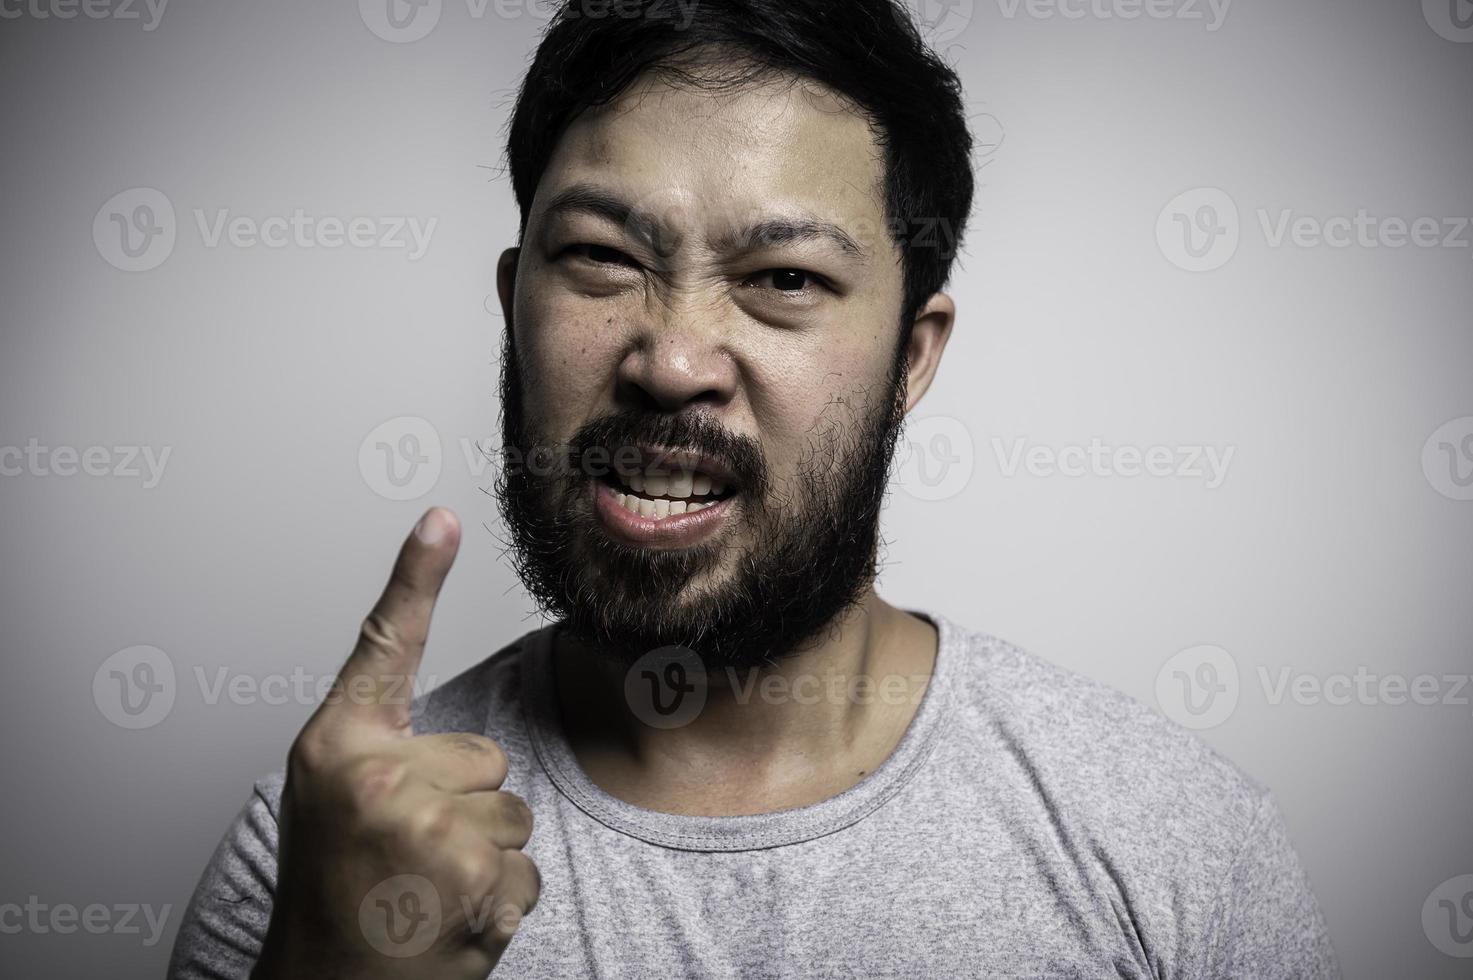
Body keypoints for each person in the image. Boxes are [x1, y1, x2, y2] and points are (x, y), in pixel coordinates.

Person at [169, 1, 1339, 976]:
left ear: (911, 358)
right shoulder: (321, 856)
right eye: (601, 260)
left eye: (783, 277)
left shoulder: (1171, 841)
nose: (672, 360)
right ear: (512, 302)